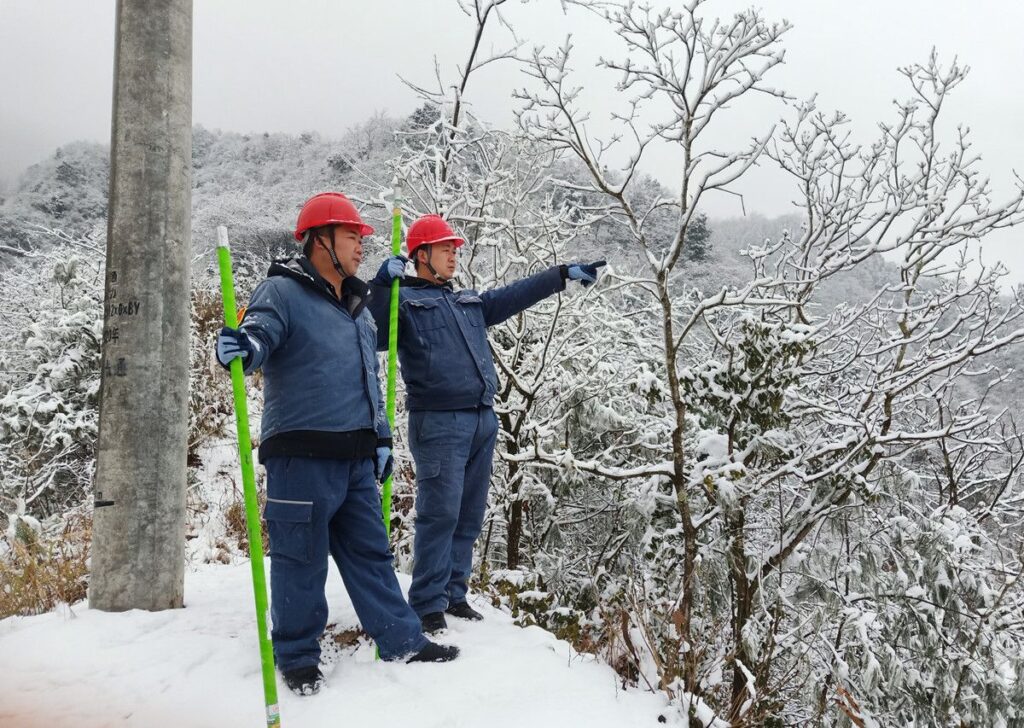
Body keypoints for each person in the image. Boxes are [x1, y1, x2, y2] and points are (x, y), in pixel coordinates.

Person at [215, 193, 458, 697]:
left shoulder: (358, 305)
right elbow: (261, 335)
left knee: (371, 554)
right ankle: (298, 656)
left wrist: (383, 438)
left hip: (355, 456)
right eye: (352, 238)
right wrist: (247, 347)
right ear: (319, 240)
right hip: (301, 453)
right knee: (299, 559)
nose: (360, 248)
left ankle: (400, 639)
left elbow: (370, 377)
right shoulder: (281, 292)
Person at [368, 213, 604, 633]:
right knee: (438, 514)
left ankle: (454, 594)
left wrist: (561, 275)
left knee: (468, 513)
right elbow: (372, 327)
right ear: (421, 256)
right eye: (445, 249)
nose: (454, 256)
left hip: (481, 419)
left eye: (455, 249)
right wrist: (382, 284)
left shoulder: (468, 302)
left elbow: (514, 295)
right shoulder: (403, 302)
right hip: (438, 422)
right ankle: (426, 604)